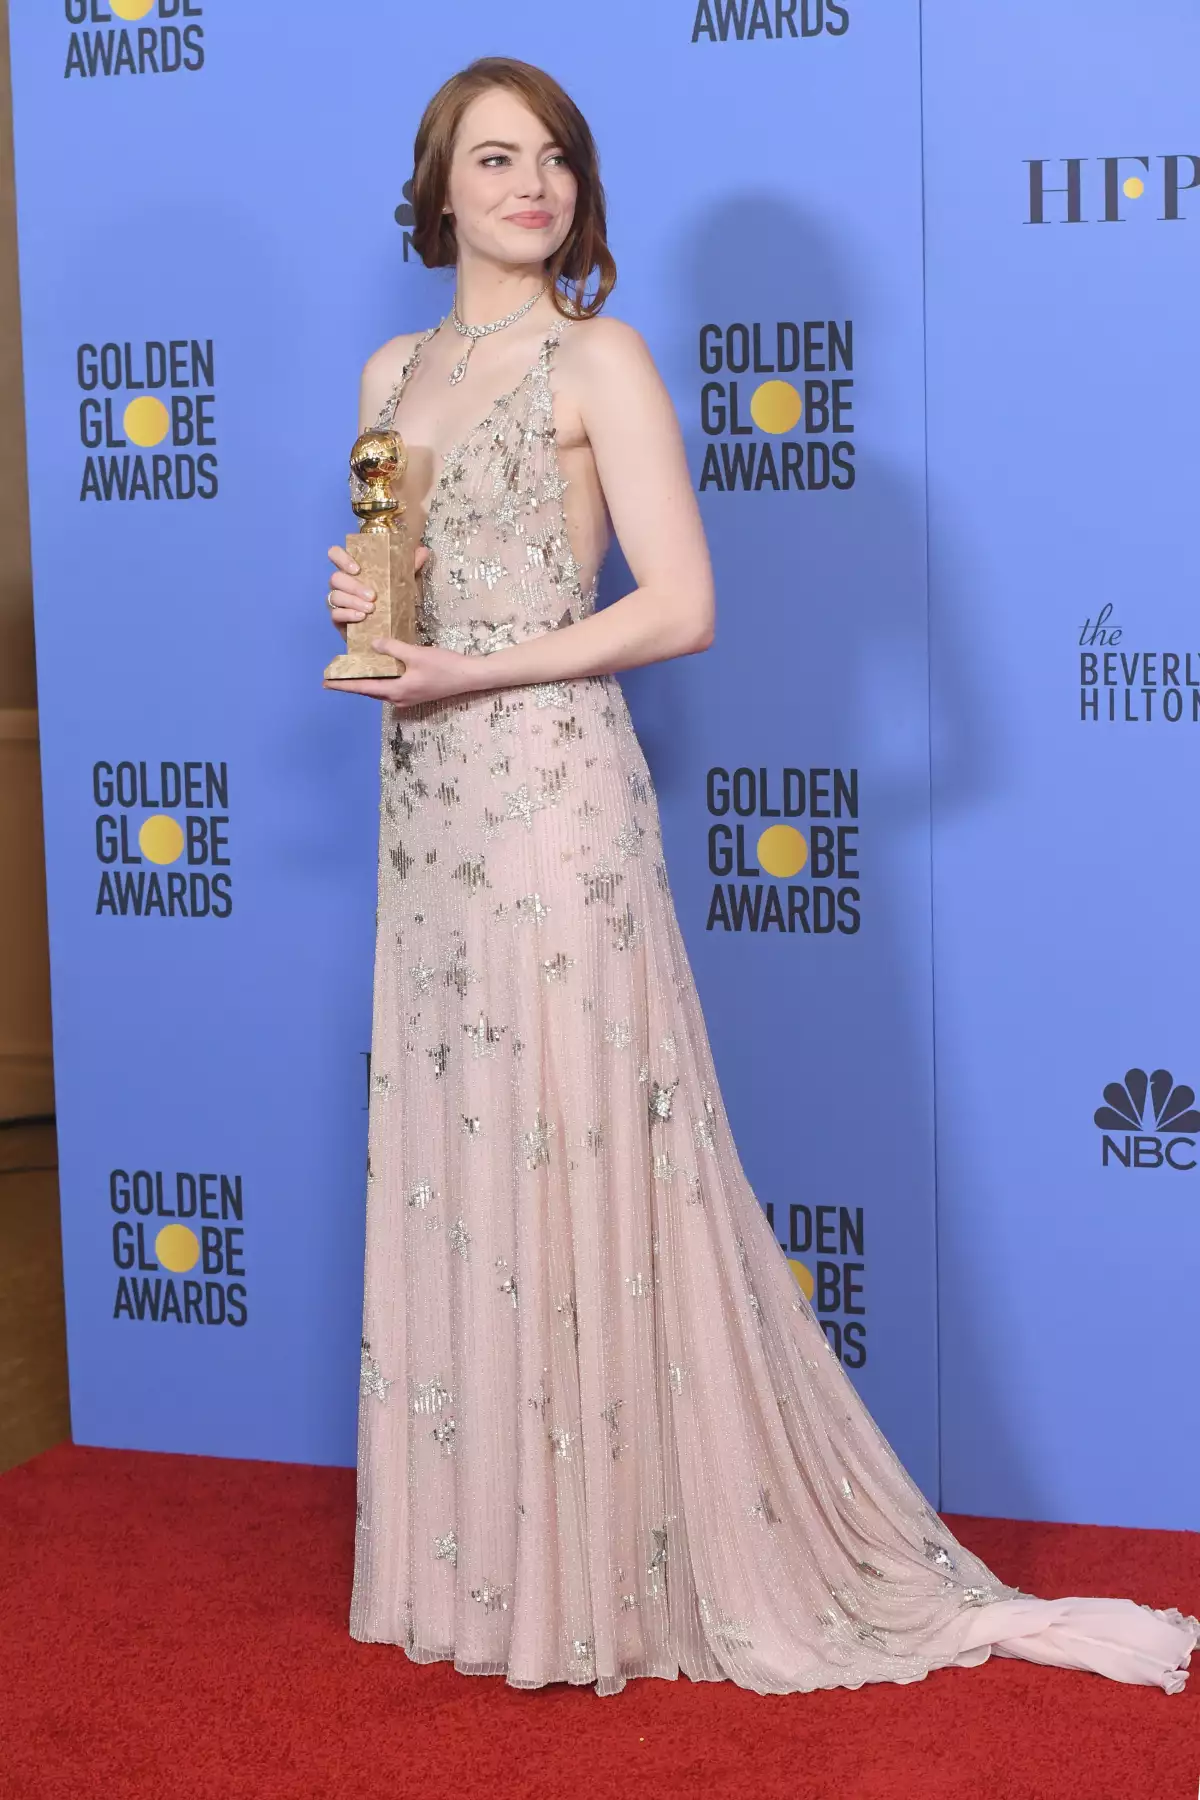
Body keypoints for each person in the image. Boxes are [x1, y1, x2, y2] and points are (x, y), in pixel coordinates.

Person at [323, 56, 1197, 1698]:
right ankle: (494, 1565)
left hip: (556, 804)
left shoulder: (605, 357)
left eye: (558, 158)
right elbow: (405, 591)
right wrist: (371, 611)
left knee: (579, 1155)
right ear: (439, 185)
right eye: (498, 158)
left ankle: (611, 1564)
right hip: (430, 808)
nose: (534, 185)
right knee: (468, 1151)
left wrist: (478, 671)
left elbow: (680, 605)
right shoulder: (389, 372)